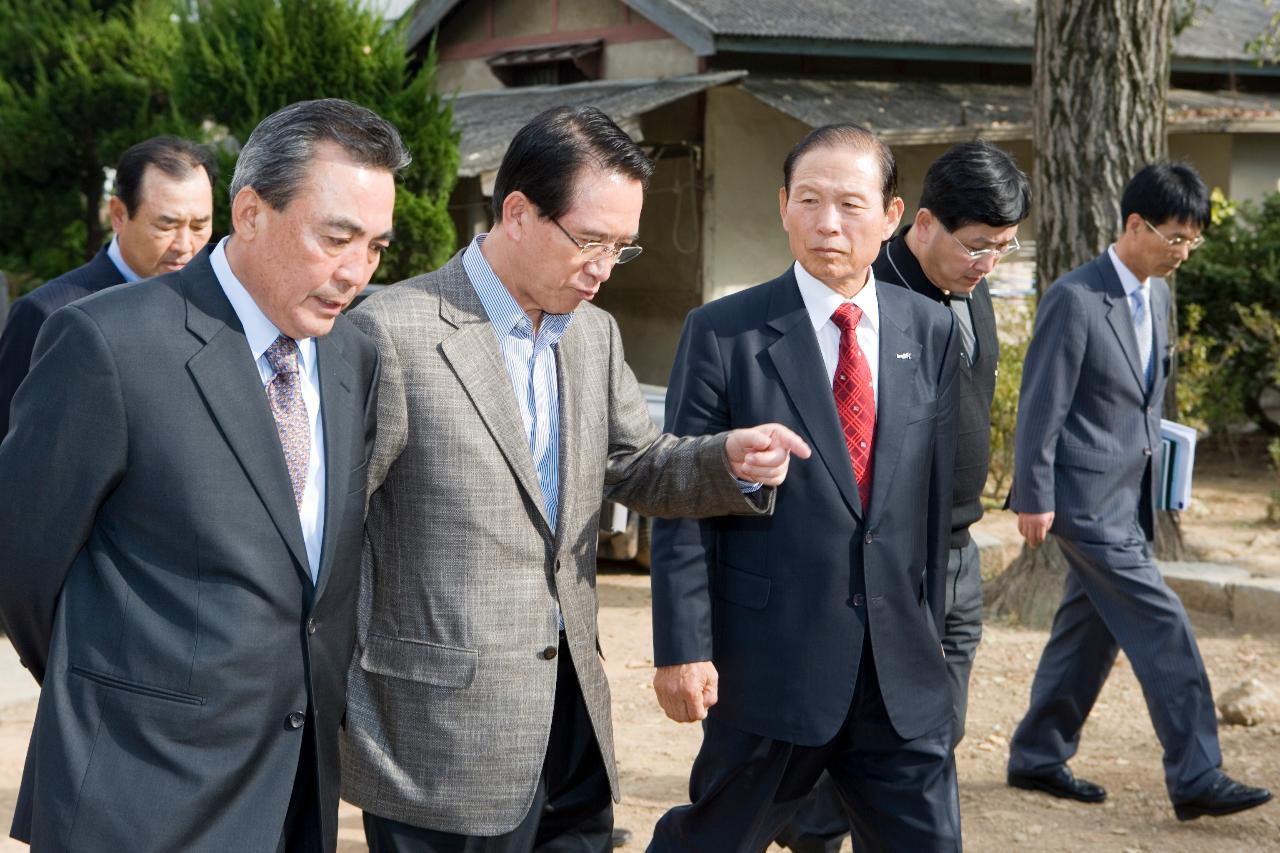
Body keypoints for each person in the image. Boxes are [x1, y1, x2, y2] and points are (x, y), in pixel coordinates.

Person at [340, 105, 809, 853]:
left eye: (621, 247)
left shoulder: (592, 334)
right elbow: (333, 527)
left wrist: (727, 460)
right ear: (518, 212)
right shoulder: (393, 332)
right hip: (438, 733)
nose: (602, 267)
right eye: (590, 240)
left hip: (572, 716)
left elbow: (637, 462)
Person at [0, 98, 405, 851]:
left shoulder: (355, 357)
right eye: (336, 237)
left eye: (376, 247)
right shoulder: (106, 343)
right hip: (135, 797)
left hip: (292, 794)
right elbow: (21, 563)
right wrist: (124, 691)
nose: (356, 272)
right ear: (249, 213)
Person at [648, 123, 961, 852]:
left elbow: (931, 501)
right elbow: (681, 500)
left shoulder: (932, 331)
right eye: (810, 200)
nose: (828, 223)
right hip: (771, 666)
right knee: (714, 838)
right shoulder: (725, 334)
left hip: (897, 676)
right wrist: (682, 647)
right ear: (783, 206)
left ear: (890, 217)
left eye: (851, 204)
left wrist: (930, 632)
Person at [776, 140, 1031, 853]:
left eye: (1002, 248)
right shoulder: (872, 304)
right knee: (876, 734)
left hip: (957, 546)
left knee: (934, 725)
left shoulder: (970, 294)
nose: (988, 263)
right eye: (977, 246)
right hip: (886, 558)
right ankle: (811, 822)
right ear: (919, 225)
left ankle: (826, 824)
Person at [1006, 162, 1272, 820]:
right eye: (1175, 237)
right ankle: (1197, 773)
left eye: (1193, 240)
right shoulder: (1074, 297)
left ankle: (1038, 752)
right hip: (1083, 500)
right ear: (1133, 224)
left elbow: (1144, 397)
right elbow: (1043, 404)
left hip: (1130, 496)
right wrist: (1033, 493)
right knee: (1164, 622)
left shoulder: (1157, 294)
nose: (1184, 251)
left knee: (1088, 632)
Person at [0, 135, 216, 437]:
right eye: (166, 226)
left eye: (198, 226)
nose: (184, 245)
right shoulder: (46, 312)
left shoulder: (218, 307)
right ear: (118, 215)